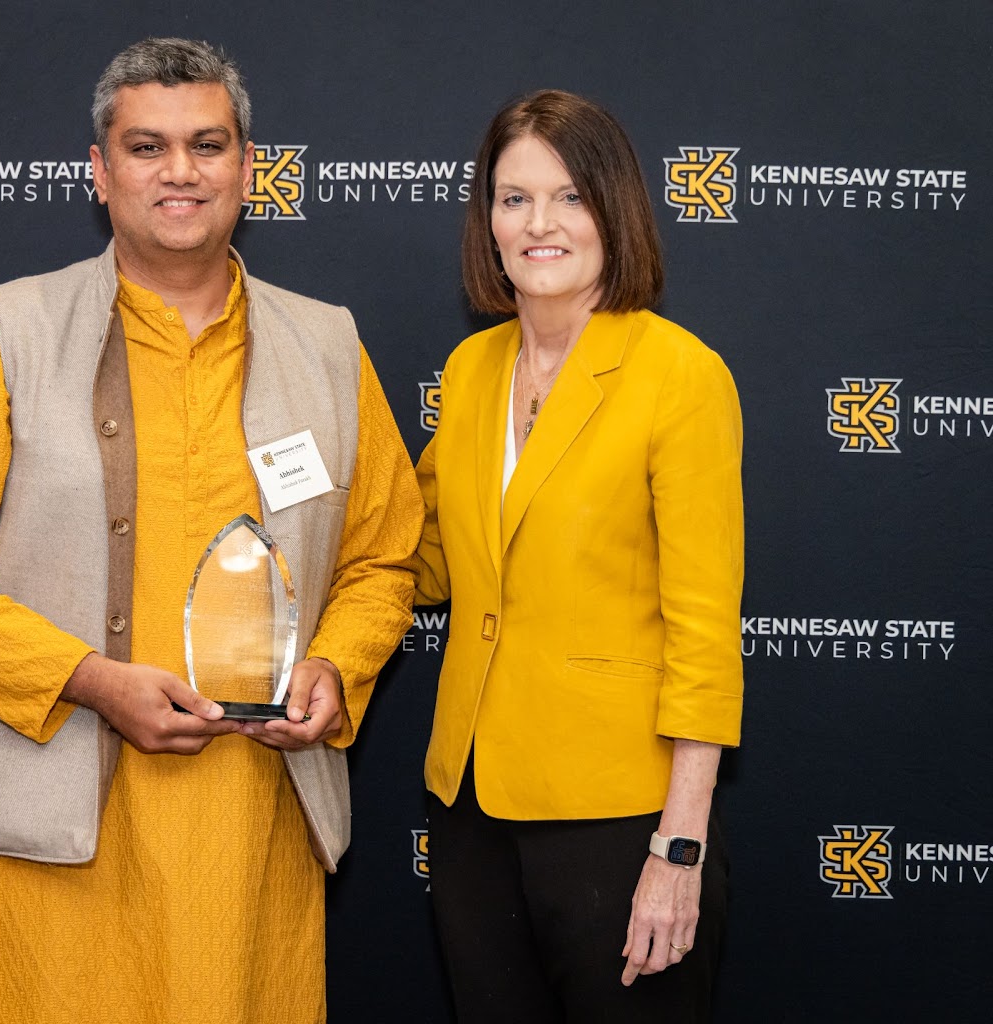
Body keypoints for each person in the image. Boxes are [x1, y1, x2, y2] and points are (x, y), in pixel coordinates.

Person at [0, 37, 422, 1024]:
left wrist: (337, 662)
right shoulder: (8, 330)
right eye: (146, 146)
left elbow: (383, 554)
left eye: (206, 145)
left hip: (248, 833)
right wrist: (91, 680)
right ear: (99, 169)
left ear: (249, 167)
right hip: (53, 835)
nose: (179, 172)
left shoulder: (325, 344)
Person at [414, 90, 744, 1022]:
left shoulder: (680, 374)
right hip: (471, 807)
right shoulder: (473, 371)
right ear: (488, 221)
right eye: (513, 199)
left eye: (568, 197)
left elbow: (705, 629)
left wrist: (678, 848)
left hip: (620, 817)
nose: (539, 225)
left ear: (615, 210)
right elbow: (424, 560)